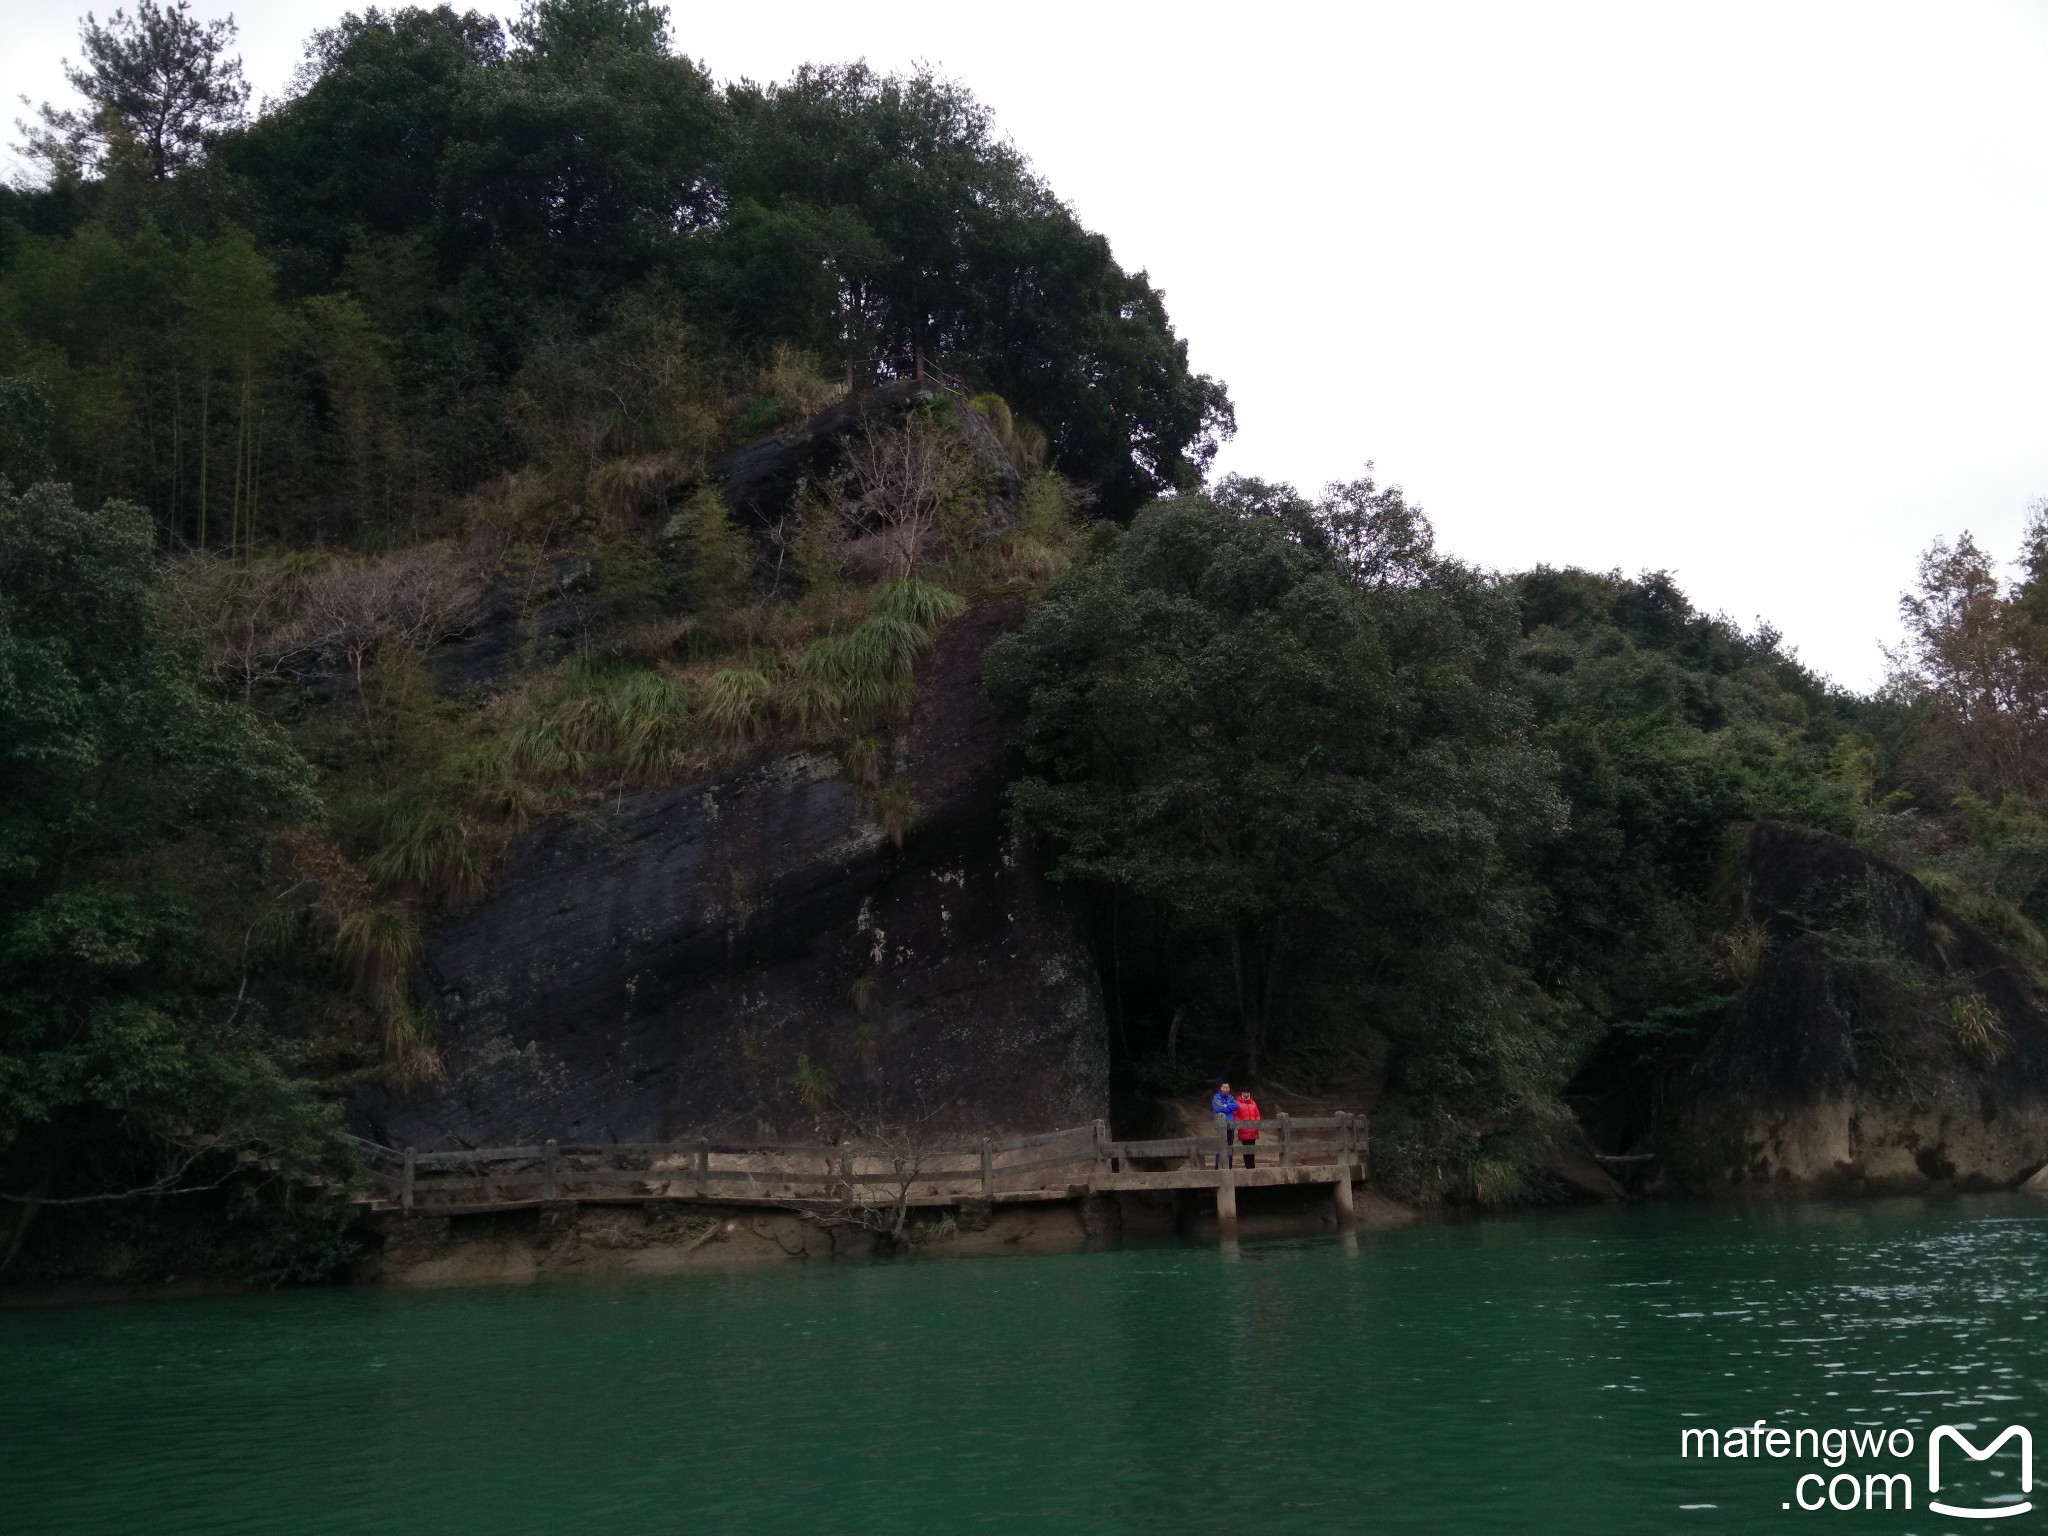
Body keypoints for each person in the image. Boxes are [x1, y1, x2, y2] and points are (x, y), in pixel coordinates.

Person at [1210, 1081, 1237, 1169]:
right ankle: (1218, 1167)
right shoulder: (1216, 1097)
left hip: (1230, 1125)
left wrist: (1227, 1105)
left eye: (1227, 1088)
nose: (1225, 1090)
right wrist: (1228, 1107)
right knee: (1220, 1146)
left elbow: (1237, 1106)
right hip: (1221, 1126)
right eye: (1224, 1088)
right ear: (1220, 1088)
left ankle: (1229, 1167)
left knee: (1230, 1147)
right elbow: (1219, 1108)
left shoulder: (1230, 1097)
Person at [1233, 1089, 1262, 1170]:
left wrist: (1256, 1123)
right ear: (1242, 1093)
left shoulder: (1253, 1103)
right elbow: (1236, 1116)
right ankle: (1247, 1166)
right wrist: (1242, 1124)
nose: (1246, 1093)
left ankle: (1252, 1166)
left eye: (1247, 1092)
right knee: (1246, 1150)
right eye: (1244, 1092)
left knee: (1252, 1150)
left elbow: (1257, 1115)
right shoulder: (1237, 1104)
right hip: (1244, 1131)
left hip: (1253, 1131)